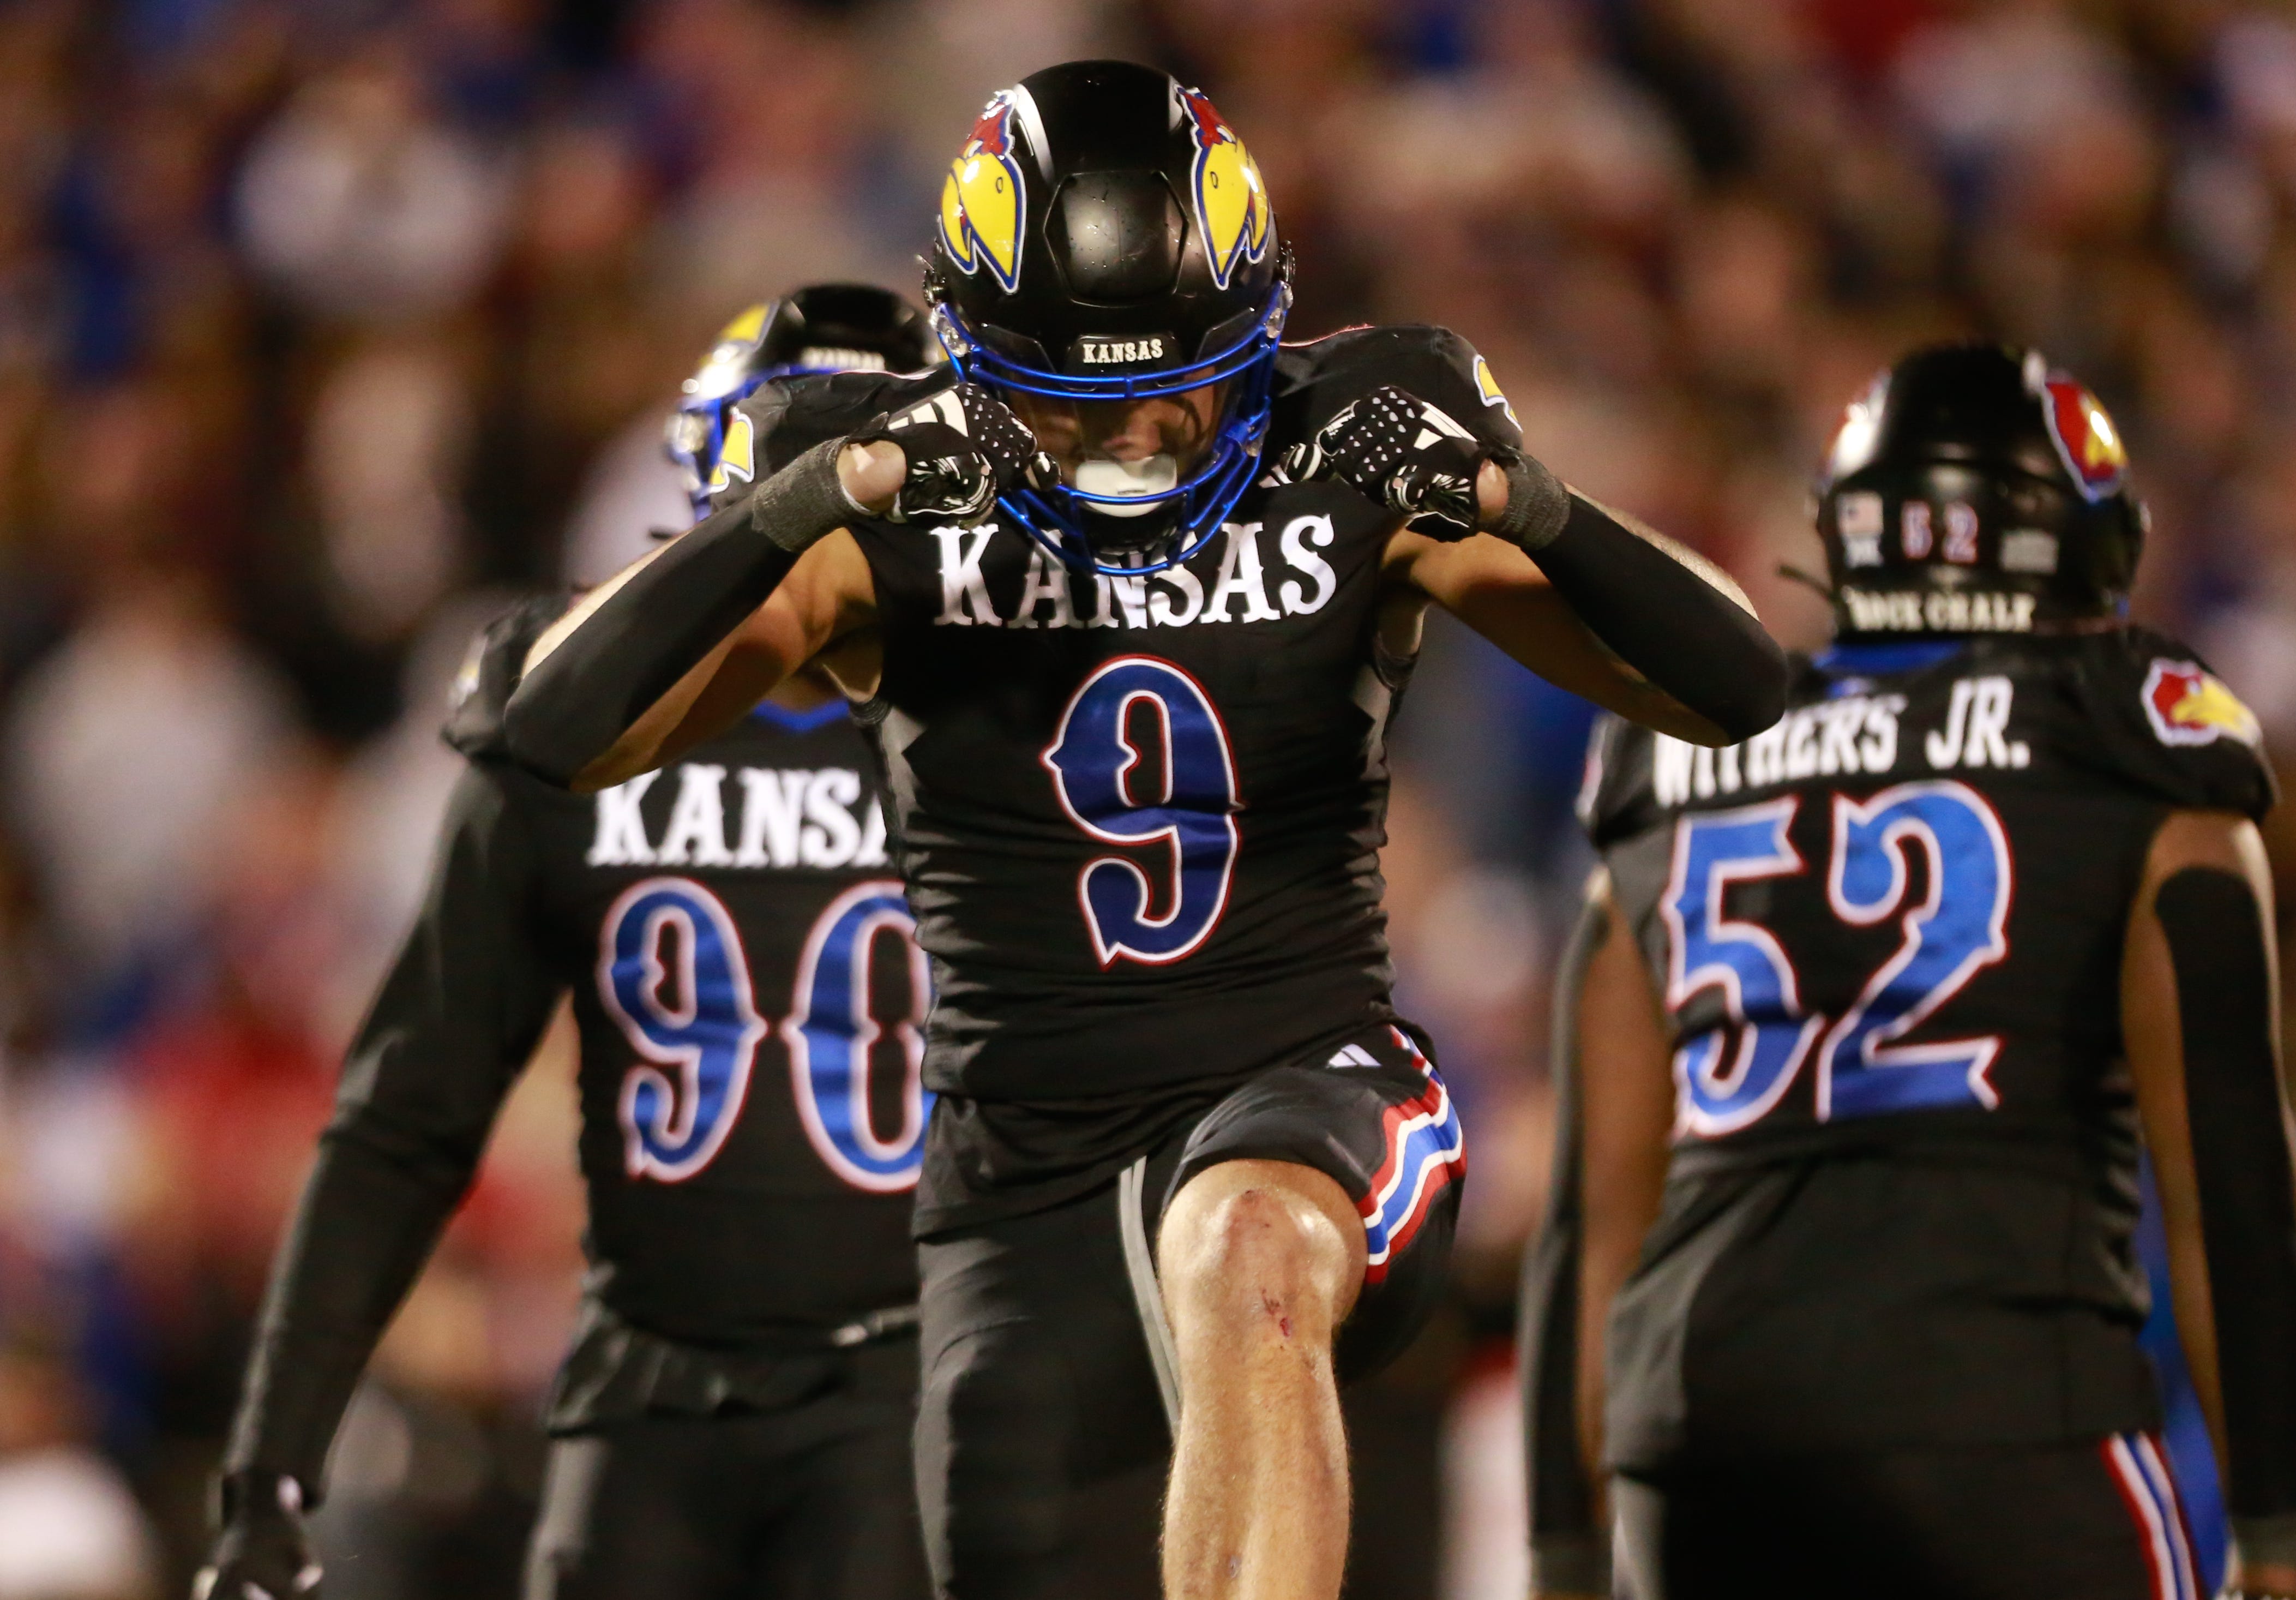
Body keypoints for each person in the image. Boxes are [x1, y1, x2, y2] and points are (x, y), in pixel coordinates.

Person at [501, 60, 1788, 1600]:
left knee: (1244, 1245)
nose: (1147, 439)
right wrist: (803, 501)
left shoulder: (1356, 438)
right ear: (975, 361)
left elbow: (1735, 685)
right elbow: (558, 732)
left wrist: (1532, 505)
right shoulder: (880, 486)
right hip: (1020, 1172)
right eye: (1080, 401)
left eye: (1186, 382)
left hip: (1313, 1092)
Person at [1522, 343, 2296, 1600]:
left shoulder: (1670, 754)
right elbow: (2226, 1182)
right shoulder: (2136, 735)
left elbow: (1588, 1222)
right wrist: (2273, 1537)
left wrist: (1564, 1559)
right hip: (2004, 1411)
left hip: (1703, 1436)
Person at [196, 285, 941, 1600]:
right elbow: (410, 1114)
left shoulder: (1023, 734)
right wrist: (271, 1461)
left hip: (916, 1384)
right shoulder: (573, 729)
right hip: (650, 1378)